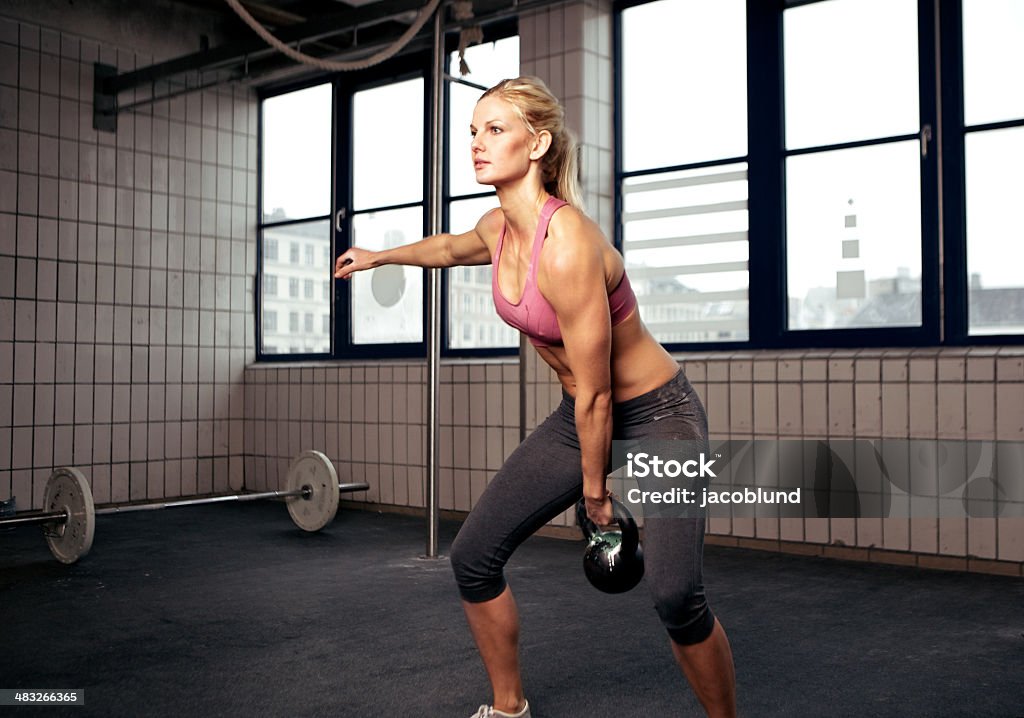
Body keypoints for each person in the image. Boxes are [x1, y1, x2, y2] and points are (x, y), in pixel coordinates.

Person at [335, 76, 737, 718]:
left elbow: (601, 394)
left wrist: (596, 496)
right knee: (472, 557)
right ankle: (509, 708)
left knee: (674, 594)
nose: (475, 144)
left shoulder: (568, 244)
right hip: (580, 414)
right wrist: (380, 256)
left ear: (538, 142)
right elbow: (449, 247)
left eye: (494, 130)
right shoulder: (499, 229)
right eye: (473, 131)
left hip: (657, 413)